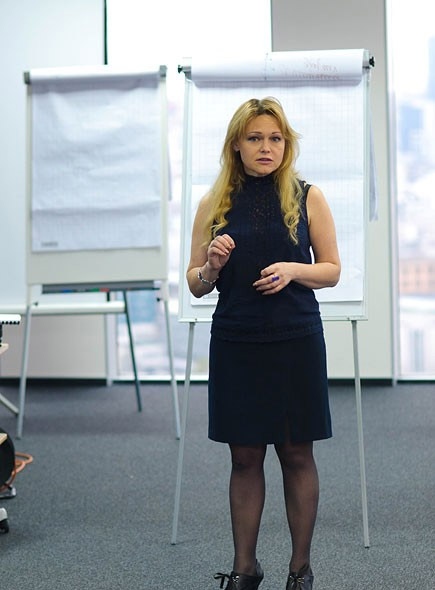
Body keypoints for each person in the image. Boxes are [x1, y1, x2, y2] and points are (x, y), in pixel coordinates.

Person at [186, 97, 341, 590]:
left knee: (296, 454)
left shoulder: (308, 196)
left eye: (275, 138)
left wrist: (294, 269)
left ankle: (300, 570)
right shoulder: (213, 204)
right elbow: (194, 283)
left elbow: (331, 270)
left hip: (295, 341)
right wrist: (211, 266)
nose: (266, 147)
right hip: (237, 342)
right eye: (255, 138)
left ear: (286, 144)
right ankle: (244, 569)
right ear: (237, 144)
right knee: (245, 457)